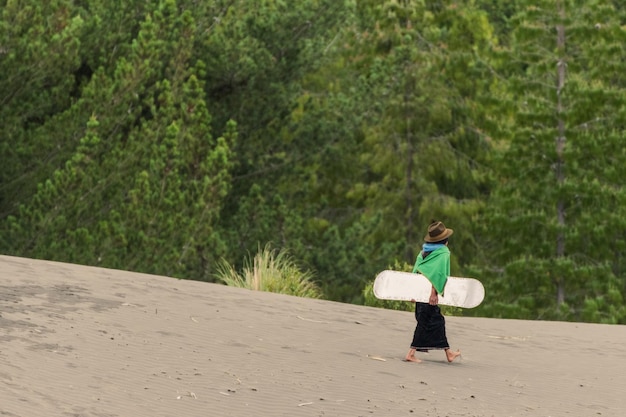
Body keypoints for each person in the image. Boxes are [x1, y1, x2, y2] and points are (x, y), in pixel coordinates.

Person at [404, 220, 461, 363]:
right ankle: (410, 354)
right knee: (425, 322)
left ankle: (449, 353)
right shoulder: (443, 253)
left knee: (438, 321)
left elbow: (416, 272)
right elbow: (438, 274)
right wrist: (434, 293)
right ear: (445, 240)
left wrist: (413, 293)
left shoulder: (423, 251)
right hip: (429, 294)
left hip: (420, 293)